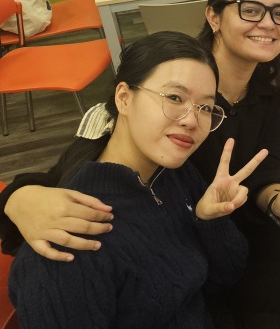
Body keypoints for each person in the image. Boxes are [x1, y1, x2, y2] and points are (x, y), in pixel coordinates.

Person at [0, 0, 280, 326]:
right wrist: (17, 200)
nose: (192, 119)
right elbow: (70, 170)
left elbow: (267, 163)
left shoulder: (254, 101)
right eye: (251, 10)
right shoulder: (163, 82)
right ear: (213, 17)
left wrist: (272, 200)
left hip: (217, 251)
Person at [9, 31, 266, 328]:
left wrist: (210, 220)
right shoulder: (72, 235)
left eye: (205, 107)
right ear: (124, 98)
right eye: (174, 97)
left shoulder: (171, 170)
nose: (191, 120)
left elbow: (228, 275)